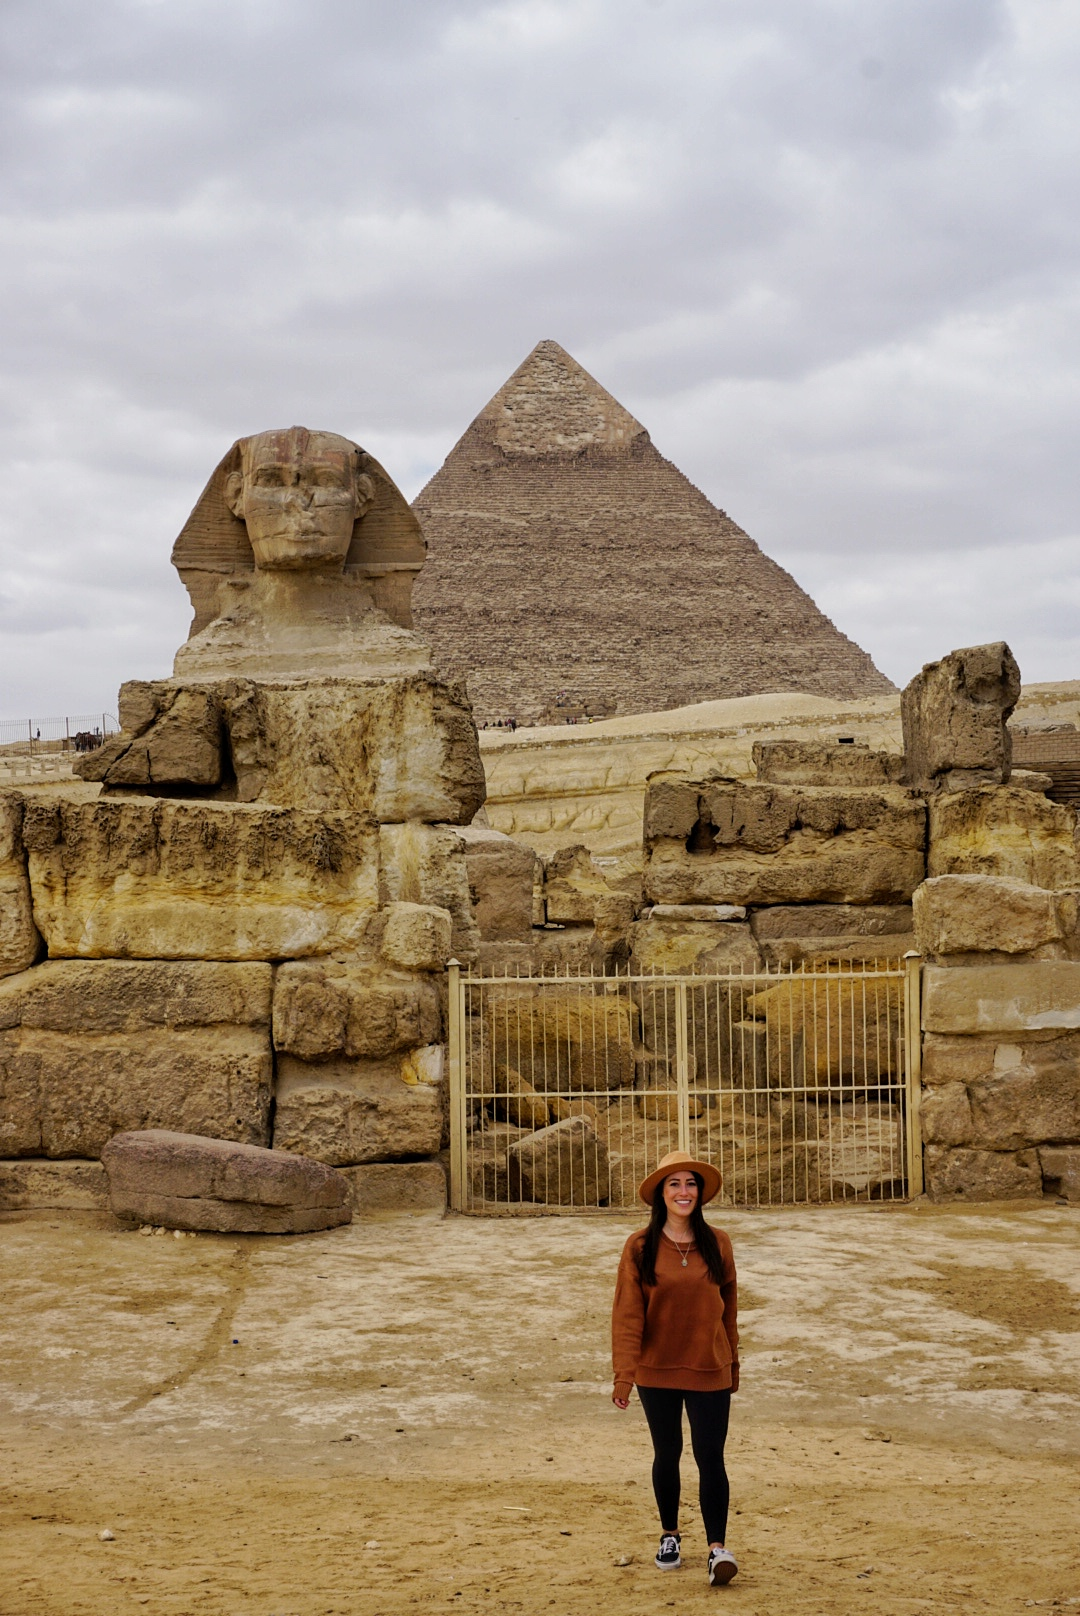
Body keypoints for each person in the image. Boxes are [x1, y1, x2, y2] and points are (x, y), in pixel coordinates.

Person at [611, 1149, 739, 1586]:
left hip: (709, 1366)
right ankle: (670, 1536)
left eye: (690, 1184)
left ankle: (718, 1549)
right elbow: (627, 1314)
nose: (684, 1192)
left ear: (699, 1193)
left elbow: (728, 1309)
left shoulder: (718, 1243)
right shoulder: (640, 1246)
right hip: (656, 1369)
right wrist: (624, 1375)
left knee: (710, 1457)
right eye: (674, 1184)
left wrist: (732, 1364)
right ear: (661, 1194)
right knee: (667, 1453)